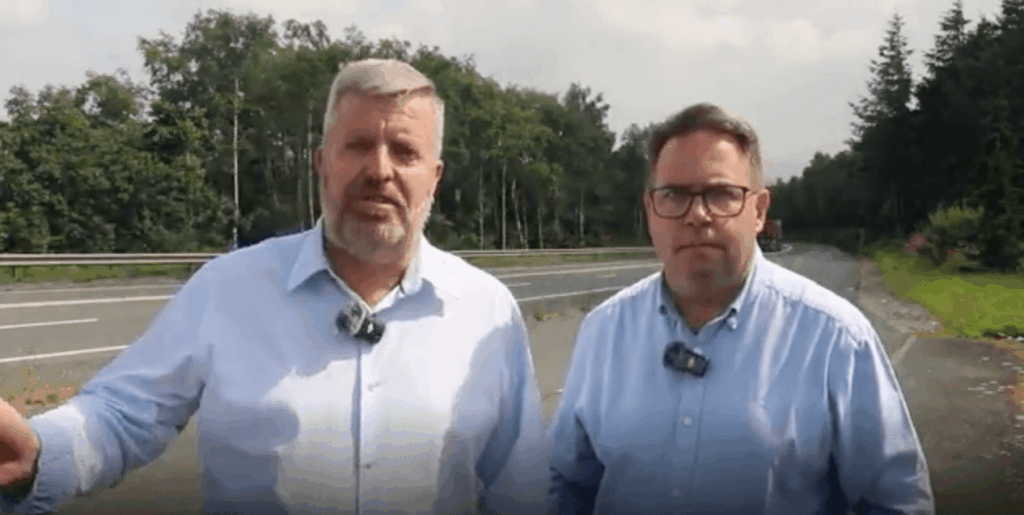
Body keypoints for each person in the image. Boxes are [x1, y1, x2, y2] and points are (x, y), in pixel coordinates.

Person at [0, 59, 547, 515]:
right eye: (358, 145)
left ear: (435, 176)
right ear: (322, 164)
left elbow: (520, 487)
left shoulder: (486, 311)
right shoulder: (228, 289)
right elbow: (121, 416)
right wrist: (37, 454)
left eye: (404, 151)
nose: (380, 171)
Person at [546, 103, 935, 514]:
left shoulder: (834, 337)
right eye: (674, 195)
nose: (697, 215)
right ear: (650, 210)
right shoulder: (605, 330)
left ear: (759, 211)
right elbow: (565, 482)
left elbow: (896, 501)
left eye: (720, 194)